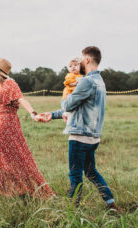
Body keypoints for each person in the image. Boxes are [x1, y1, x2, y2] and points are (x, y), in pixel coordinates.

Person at [38, 47, 120, 211]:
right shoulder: (99, 81)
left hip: (79, 137)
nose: (80, 62)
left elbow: (68, 104)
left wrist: (65, 94)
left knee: (75, 174)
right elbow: (78, 108)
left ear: (88, 60)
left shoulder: (86, 81)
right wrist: (52, 115)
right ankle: (110, 203)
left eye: (82, 59)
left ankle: (72, 210)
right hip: (93, 137)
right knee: (91, 172)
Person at [0, 58, 54, 197]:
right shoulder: (0, 87)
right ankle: (1, 190)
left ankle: (24, 189)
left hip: (6, 125)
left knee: (16, 157)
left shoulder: (10, 83)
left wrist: (33, 114)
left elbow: (21, 99)